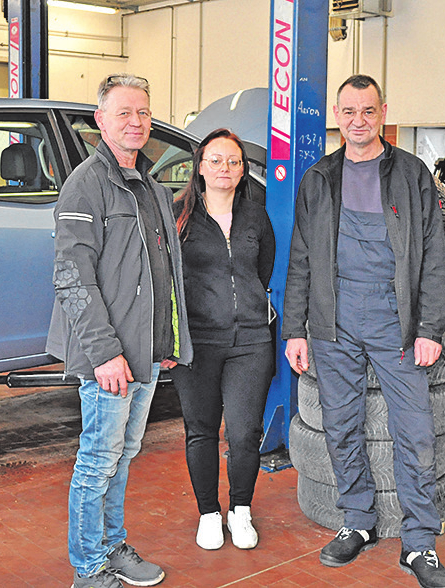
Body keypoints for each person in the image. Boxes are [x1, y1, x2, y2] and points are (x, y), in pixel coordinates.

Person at [283, 74, 445, 588]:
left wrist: (430, 327)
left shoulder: (412, 173)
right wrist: (295, 328)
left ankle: (419, 541)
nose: (358, 121)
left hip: (396, 320)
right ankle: (358, 521)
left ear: (384, 112)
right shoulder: (318, 179)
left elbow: (432, 257)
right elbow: (301, 259)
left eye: (368, 111)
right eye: (349, 112)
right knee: (339, 425)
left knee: (415, 430)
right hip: (333, 321)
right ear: (338, 116)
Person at [47, 73, 192, 588]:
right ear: (100, 121)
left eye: (144, 113)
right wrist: (105, 352)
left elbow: (161, 272)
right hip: (110, 355)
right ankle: (87, 570)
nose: (137, 122)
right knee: (97, 459)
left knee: (123, 456)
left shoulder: (148, 184)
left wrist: (168, 342)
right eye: (125, 113)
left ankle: (111, 545)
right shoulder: (86, 183)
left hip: (144, 350)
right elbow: (72, 276)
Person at [169, 128, 276, 551]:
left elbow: (262, 270)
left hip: (250, 339)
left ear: (243, 169)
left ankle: (241, 510)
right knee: (201, 430)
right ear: (199, 166)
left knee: (246, 431)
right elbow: (168, 279)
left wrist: (245, 305)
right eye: (215, 160)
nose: (224, 168)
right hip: (196, 342)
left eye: (233, 161)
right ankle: (209, 513)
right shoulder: (178, 214)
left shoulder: (256, 216)